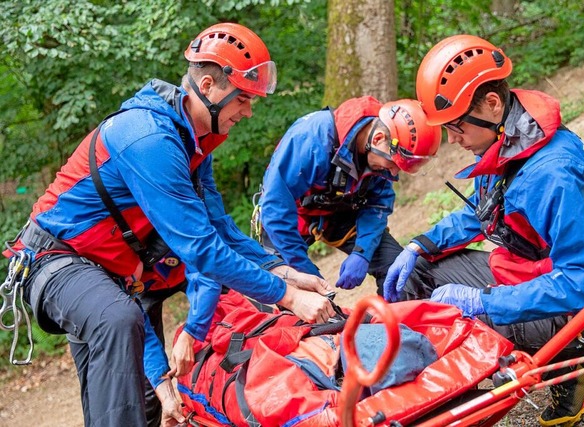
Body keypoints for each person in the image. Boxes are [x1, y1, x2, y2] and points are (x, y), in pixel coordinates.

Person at [3, 22, 335, 427]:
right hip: (55, 260)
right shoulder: (149, 140)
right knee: (117, 319)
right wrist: (288, 297)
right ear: (209, 86)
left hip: (115, 273)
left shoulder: (195, 142)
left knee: (143, 398)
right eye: (243, 100)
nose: (248, 112)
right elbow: (201, 251)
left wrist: (280, 270)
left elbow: (221, 231)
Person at [383, 35, 584, 427]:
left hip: (577, 307)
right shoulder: (508, 142)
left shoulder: (551, 174)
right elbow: (485, 212)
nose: (452, 139)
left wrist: (483, 302)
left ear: (492, 104)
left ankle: (574, 364)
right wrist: (418, 245)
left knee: (468, 310)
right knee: (422, 271)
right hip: (527, 270)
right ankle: (421, 386)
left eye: (456, 126)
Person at [256, 97, 441, 295]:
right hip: (291, 217)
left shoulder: (382, 156)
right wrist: (305, 273)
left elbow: (377, 205)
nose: (394, 173)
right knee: (299, 294)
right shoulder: (310, 141)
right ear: (378, 139)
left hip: (342, 210)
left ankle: (395, 321)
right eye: (394, 164)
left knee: (400, 273)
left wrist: (362, 252)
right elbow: (276, 213)